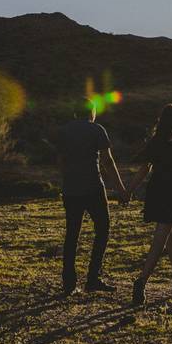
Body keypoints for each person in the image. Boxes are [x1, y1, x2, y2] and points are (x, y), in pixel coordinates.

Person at [55, 98, 128, 295]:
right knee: (102, 230)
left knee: (72, 234)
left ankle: (69, 283)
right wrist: (121, 189)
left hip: (70, 190)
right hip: (93, 187)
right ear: (91, 112)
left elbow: (60, 162)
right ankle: (92, 278)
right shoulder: (97, 130)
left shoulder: (63, 131)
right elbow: (108, 161)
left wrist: (69, 178)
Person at [127, 103, 172, 305]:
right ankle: (141, 281)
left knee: (170, 236)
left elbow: (143, 170)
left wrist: (128, 190)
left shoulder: (156, 141)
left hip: (156, 191)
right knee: (160, 240)